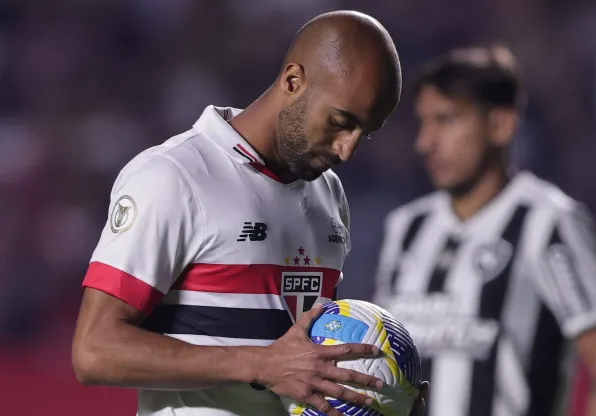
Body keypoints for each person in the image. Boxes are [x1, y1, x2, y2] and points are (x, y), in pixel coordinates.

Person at [72, 10, 426, 416]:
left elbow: (306, 365)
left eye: (365, 132)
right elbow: (94, 350)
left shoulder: (328, 193)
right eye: (341, 122)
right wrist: (261, 364)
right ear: (294, 81)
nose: (347, 149)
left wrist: (384, 402)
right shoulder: (174, 176)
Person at [374, 45, 596, 416]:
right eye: (423, 121)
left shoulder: (547, 222)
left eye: (446, 120)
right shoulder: (407, 227)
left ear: (500, 125)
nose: (425, 142)